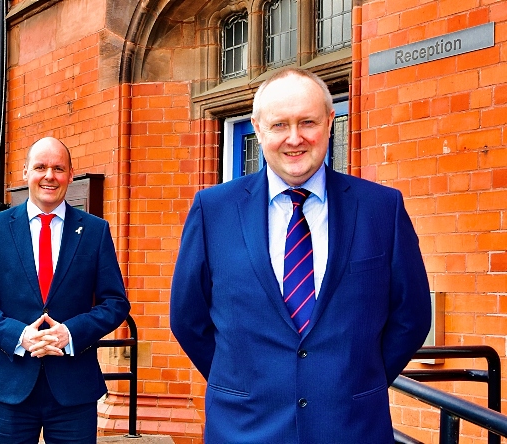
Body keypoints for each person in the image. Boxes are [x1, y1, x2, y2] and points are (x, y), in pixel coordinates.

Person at [170, 68, 431, 443]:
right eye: (279, 125)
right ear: (258, 129)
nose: (295, 139)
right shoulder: (213, 210)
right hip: (243, 428)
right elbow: (188, 317)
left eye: (307, 122)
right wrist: (243, 382)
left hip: (352, 427)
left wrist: (358, 381)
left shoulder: (381, 208)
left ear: (329, 122)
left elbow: (411, 315)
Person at [0, 136, 130, 444]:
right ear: (25, 172)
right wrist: (19, 335)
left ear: (70, 174)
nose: (49, 175)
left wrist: (71, 333)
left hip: (74, 388)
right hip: (12, 386)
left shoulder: (95, 231)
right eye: (40, 167)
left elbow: (115, 303)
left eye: (58, 168)